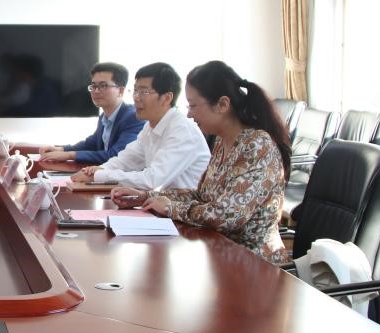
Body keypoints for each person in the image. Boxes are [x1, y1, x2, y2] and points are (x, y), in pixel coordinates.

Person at [112, 60, 292, 264]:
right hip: (218, 253)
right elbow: (201, 196)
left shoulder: (257, 145)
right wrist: (146, 197)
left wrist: (171, 208)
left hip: (253, 263)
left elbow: (228, 216)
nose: (189, 113)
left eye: (193, 105)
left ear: (222, 105)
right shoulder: (222, 141)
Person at [72, 62, 210, 190]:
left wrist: (99, 175)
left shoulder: (182, 130)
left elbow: (152, 180)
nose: (136, 97)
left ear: (167, 98)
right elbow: (127, 160)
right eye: (135, 91)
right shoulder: (150, 126)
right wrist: (99, 170)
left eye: (144, 92)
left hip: (188, 207)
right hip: (165, 203)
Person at [39, 62, 144, 164]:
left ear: (120, 91)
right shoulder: (104, 116)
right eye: (93, 86)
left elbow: (117, 155)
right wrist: (61, 149)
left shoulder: (134, 117)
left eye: (103, 86)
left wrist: (69, 155)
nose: (96, 91)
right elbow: (91, 144)